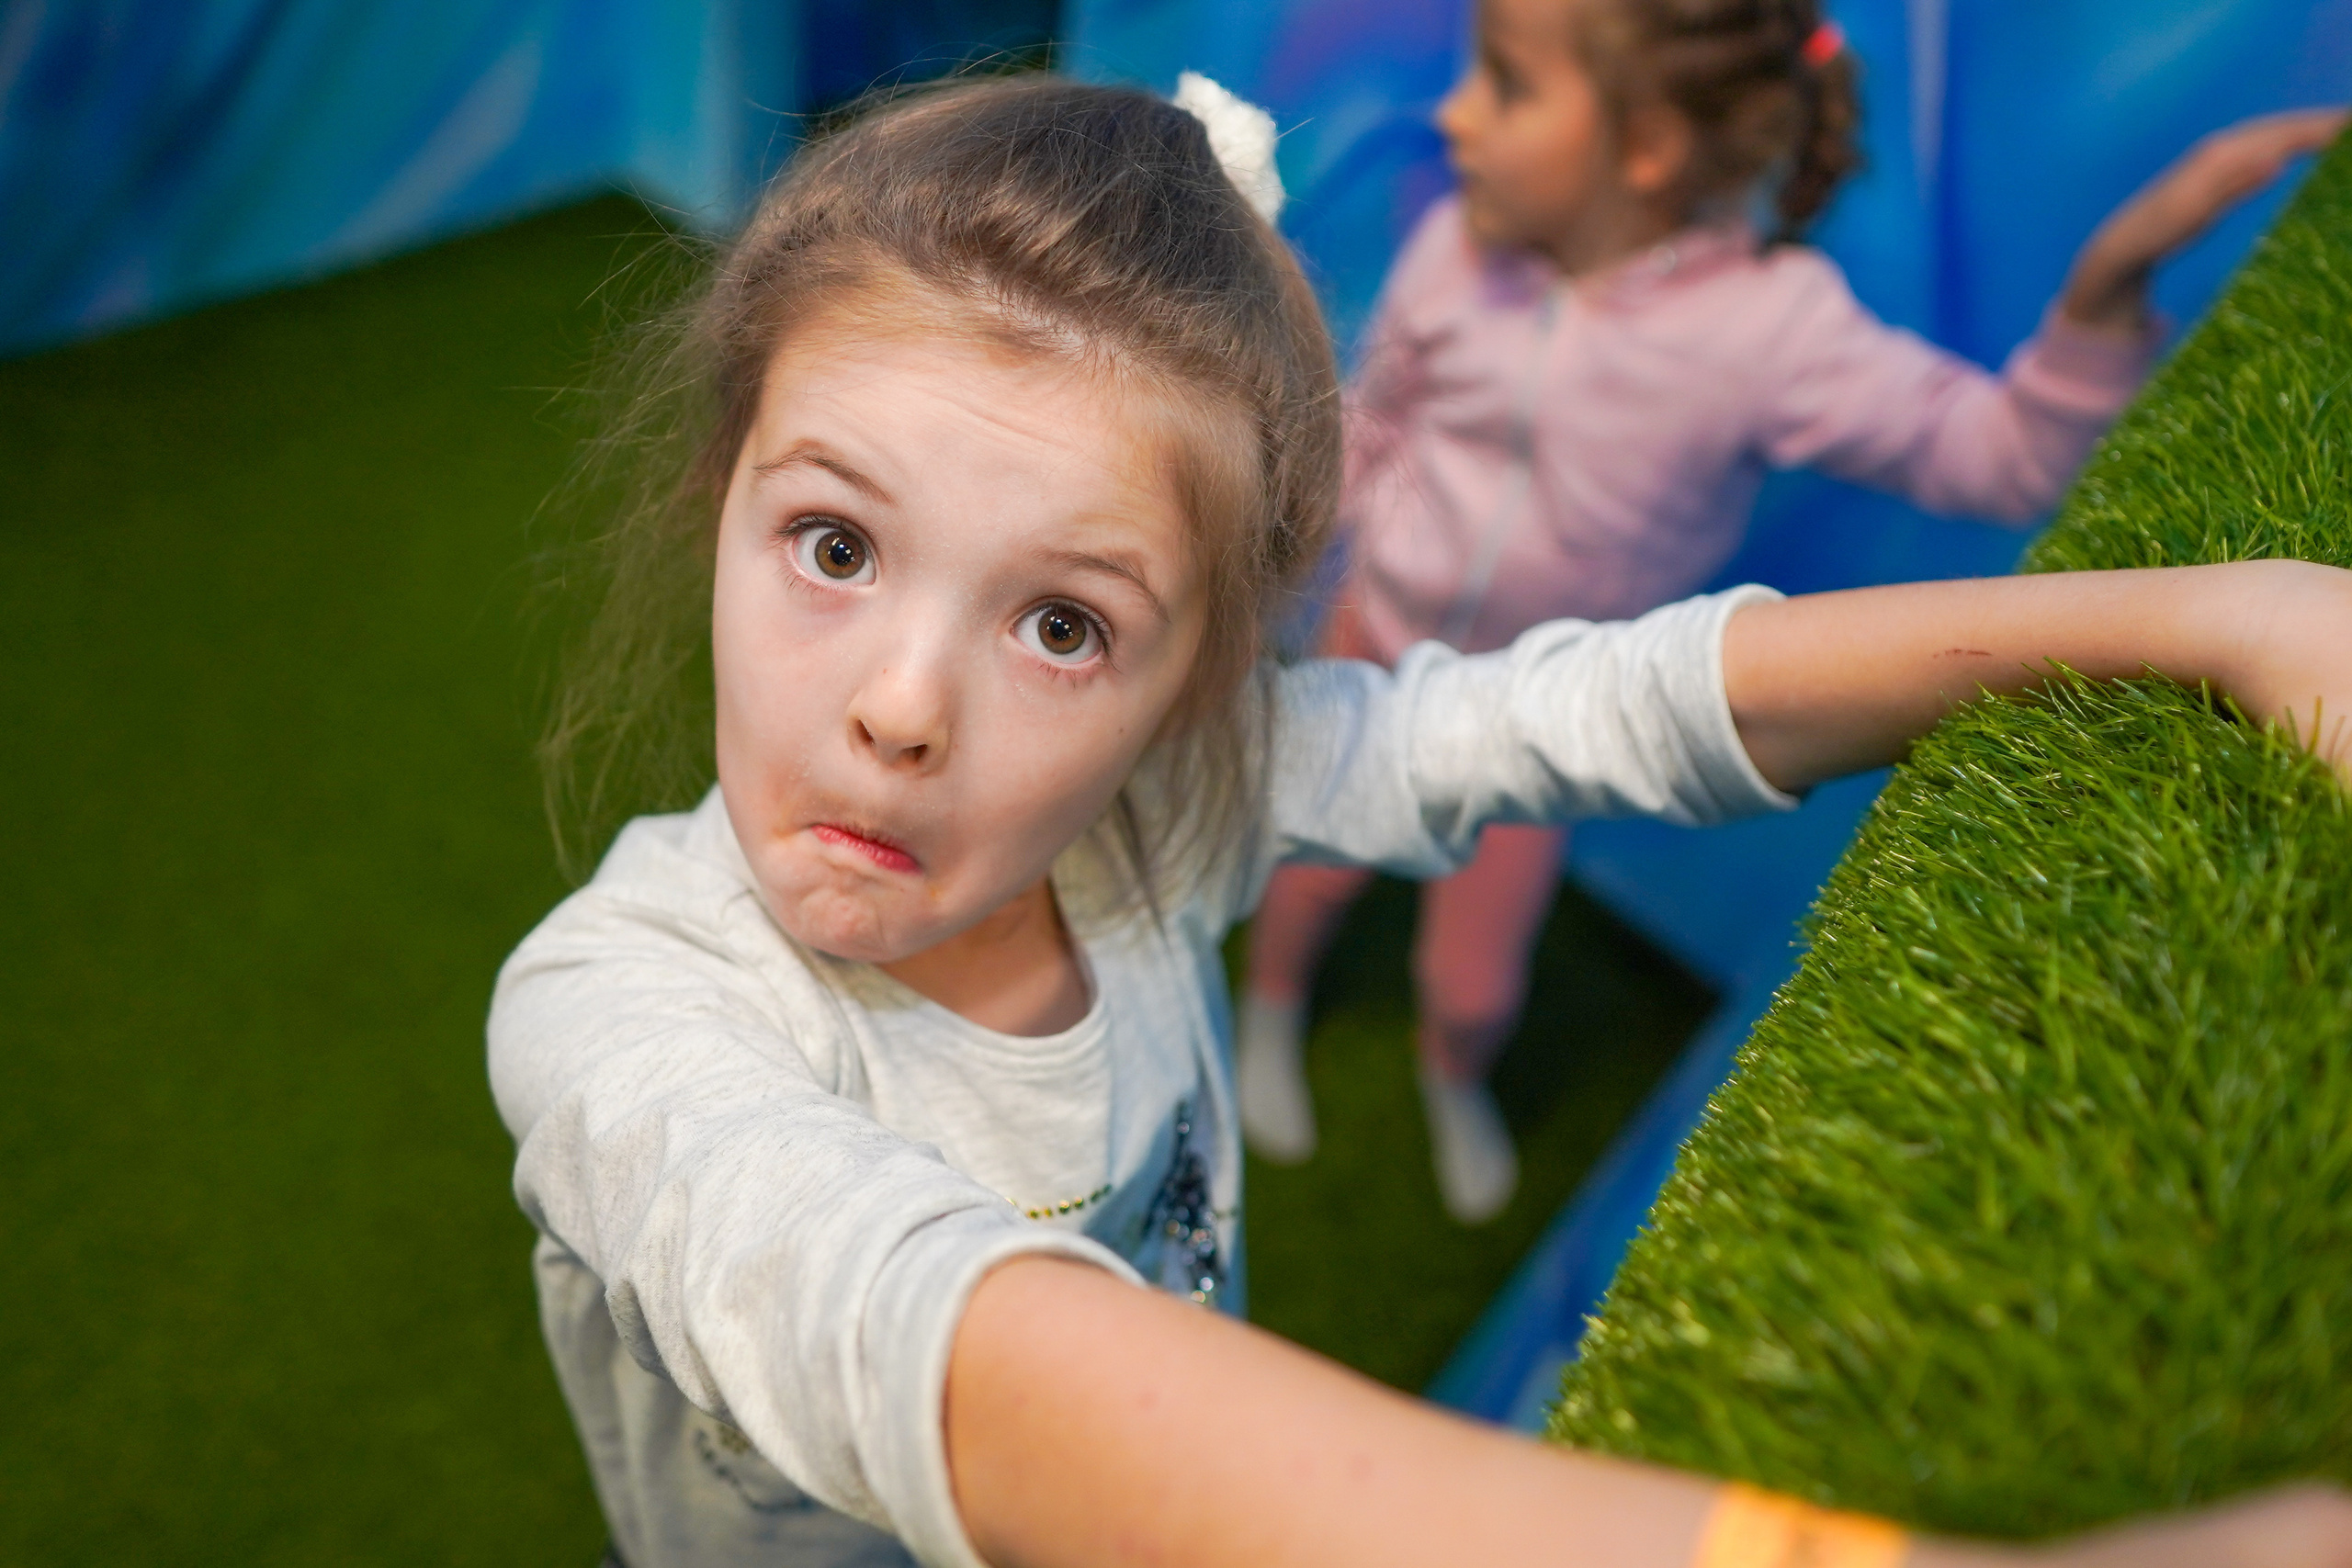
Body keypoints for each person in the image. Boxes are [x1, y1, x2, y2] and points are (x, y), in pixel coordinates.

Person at [491, 71, 2352, 1568]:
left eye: (1063, 623)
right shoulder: (613, 1018)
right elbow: (917, 1329)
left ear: (1190, 678)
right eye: (832, 543)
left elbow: (1581, 702)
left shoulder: (1147, 824)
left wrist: (2209, 611)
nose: (898, 708)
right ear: (719, 485)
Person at [1232, 0, 2349, 1224]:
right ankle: (1271, 1010)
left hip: (1540, 706)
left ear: (1646, 145)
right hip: (1378, 642)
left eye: (1504, 83)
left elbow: (2001, 458)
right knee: (1310, 868)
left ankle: (1454, 1068)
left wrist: (2107, 285)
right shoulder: (1459, 245)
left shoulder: (1769, 331)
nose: (1451, 112)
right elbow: (1378, 420)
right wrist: (1276, 545)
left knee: (1474, 978)